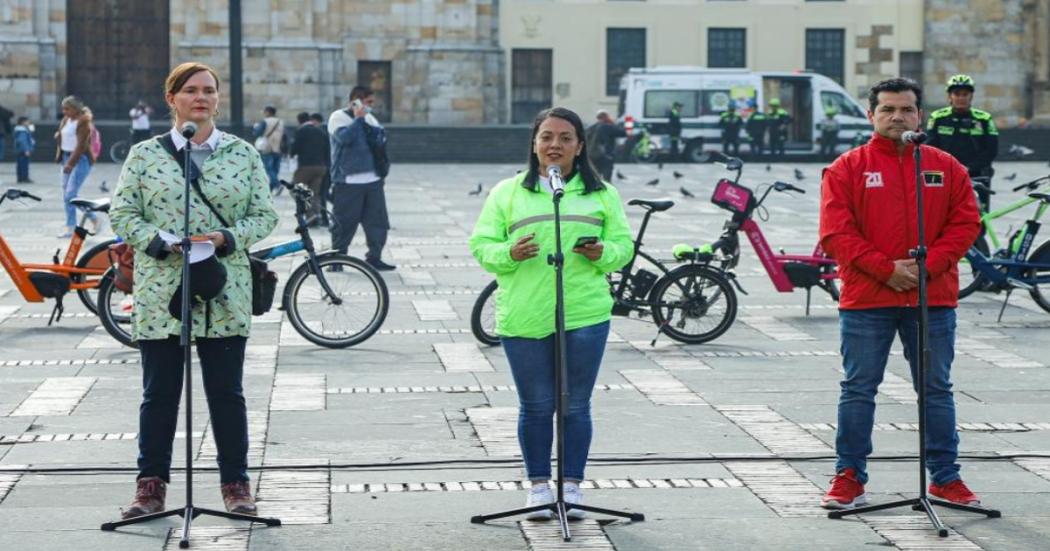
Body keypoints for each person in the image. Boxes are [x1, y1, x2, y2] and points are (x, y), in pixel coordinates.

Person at [109, 61, 278, 520]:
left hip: (224, 286)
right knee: (159, 393)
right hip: (163, 289)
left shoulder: (242, 154)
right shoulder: (145, 155)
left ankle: (235, 484)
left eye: (209, 90)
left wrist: (225, 238)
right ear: (172, 99)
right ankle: (151, 486)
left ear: (217, 99)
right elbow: (123, 214)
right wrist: (159, 241)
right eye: (190, 91)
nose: (200, 98)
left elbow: (265, 215)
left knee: (227, 392)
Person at [818, 77, 983, 510]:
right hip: (868, 299)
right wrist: (885, 270)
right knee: (858, 388)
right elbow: (836, 233)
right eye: (888, 110)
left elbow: (966, 224)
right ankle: (849, 475)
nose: (898, 117)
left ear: (920, 115)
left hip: (932, 299)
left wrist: (925, 269)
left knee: (936, 389)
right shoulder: (846, 168)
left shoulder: (946, 165)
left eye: (906, 109)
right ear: (871, 115)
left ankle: (946, 478)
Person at [469, 107, 634, 520]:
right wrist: (508, 253)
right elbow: (481, 245)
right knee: (537, 405)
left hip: (585, 315)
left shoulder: (602, 194)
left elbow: (623, 247)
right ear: (534, 144)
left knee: (576, 406)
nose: (554, 145)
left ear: (580, 146)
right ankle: (540, 487)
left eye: (564, 137)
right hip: (525, 315)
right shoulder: (507, 192)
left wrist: (603, 253)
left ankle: (573, 487)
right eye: (546, 137)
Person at [328, 85, 395, 271]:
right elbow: (345, 139)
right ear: (355, 102)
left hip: (373, 180)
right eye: (368, 102)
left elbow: (379, 142)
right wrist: (357, 119)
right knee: (344, 222)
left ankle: (374, 257)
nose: (371, 106)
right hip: (348, 181)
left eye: (372, 102)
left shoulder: (371, 119)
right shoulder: (338, 117)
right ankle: (337, 259)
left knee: (378, 222)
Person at [927, 74, 999, 213]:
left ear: (971, 96)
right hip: (945, 173)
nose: (961, 98)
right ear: (950, 96)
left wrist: (968, 168)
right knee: (941, 214)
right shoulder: (938, 117)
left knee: (978, 216)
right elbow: (931, 146)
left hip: (976, 174)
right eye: (957, 94)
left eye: (965, 94)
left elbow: (991, 150)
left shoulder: (984, 118)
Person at [55, 96, 99, 237]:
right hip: (66, 157)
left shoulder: (84, 122)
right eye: (63, 108)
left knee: (70, 195)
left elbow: (81, 146)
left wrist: (70, 164)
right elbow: (63, 136)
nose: (64, 111)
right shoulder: (66, 120)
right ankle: (70, 227)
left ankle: (93, 217)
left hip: (80, 160)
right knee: (66, 195)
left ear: (75, 109)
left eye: (67, 108)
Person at [290, 111, 329, 222]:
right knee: (314, 192)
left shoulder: (301, 131)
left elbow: (294, 148)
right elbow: (327, 150)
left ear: (299, 121)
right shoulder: (321, 131)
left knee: (295, 189)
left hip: (305, 166)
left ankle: (309, 214)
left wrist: (292, 154)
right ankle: (316, 214)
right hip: (321, 167)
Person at [585, 109, 626, 182]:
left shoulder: (591, 128)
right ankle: (605, 192)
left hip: (592, 156)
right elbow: (624, 133)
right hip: (606, 156)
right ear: (606, 117)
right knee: (606, 180)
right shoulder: (608, 127)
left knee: (595, 177)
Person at [253, 105, 285, 192]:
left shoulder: (265, 121)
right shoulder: (280, 122)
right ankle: (271, 187)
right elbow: (285, 136)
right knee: (275, 169)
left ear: (268, 112)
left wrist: (255, 128)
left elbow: (257, 133)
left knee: (268, 168)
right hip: (278, 148)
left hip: (267, 148)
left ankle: (277, 185)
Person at [310, 112, 331, 226]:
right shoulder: (328, 130)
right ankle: (324, 218)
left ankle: (324, 219)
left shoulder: (320, 132)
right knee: (324, 193)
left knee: (321, 194)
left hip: (323, 166)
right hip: (329, 166)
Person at [13, 116, 35, 183]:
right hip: (23, 151)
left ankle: (20, 178)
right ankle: (24, 178)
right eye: (27, 121)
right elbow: (23, 141)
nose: (28, 123)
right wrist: (26, 150)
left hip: (19, 150)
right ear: (23, 122)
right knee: (24, 165)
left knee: (20, 165)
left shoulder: (19, 130)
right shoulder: (23, 131)